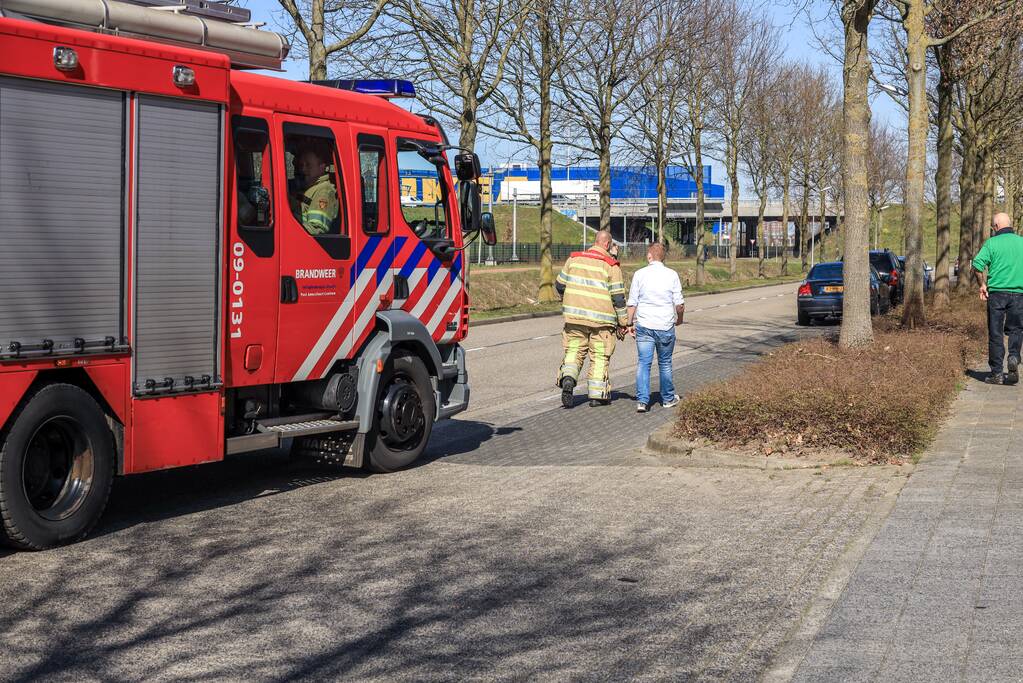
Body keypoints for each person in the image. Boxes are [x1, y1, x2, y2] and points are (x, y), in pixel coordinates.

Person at [555, 230, 629, 408]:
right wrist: (623, 323)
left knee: (574, 351)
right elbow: (618, 298)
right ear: (607, 245)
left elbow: (559, 285)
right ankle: (596, 396)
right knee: (599, 355)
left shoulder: (574, 259)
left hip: (575, 318)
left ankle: (568, 379)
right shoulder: (611, 266)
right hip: (601, 323)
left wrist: (571, 298)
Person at [626, 243, 685, 412]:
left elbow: (632, 302)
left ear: (649, 256)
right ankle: (667, 398)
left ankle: (642, 401)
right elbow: (679, 304)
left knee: (644, 363)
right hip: (665, 326)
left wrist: (630, 323)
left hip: (644, 325)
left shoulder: (639, 274)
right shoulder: (672, 275)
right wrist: (679, 318)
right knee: (665, 363)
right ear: (663, 257)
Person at [972, 212, 1023, 385]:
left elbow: (977, 265)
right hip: (1019, 294)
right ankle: (1014, 357)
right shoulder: (1021, 242)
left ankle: (997, 374)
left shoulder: (991, 243)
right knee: (1016, 329)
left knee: (996, 333)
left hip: (996, 295)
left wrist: (982, 284)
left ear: (996, 227)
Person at [294, 148, 339, 235]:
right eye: (301, 165)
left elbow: (316, 231)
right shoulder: (310, 187)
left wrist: (288, 226)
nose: (303, 169)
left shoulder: (324, 191)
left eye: (308, 165)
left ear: (322, 167)